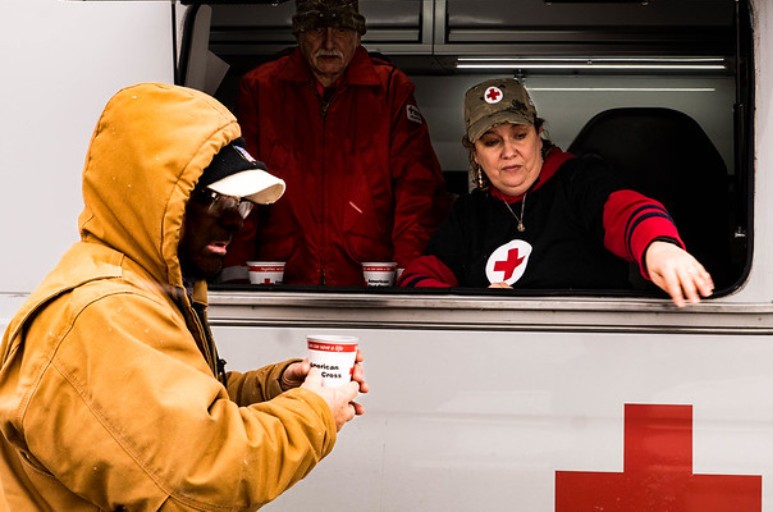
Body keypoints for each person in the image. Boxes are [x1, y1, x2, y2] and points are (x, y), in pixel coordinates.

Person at [0, 83, 369, 509]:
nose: (237, 222)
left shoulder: (144, 289)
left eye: (243, 204)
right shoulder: (104, 314)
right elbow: (202, 480)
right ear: (155, 199)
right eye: (218, 200)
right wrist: (315, 410)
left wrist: (276, 388)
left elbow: (182, 418)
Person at [398, 78, 715, 307]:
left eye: (519, 135)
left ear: (539, 135)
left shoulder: (578, 180)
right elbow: (417, 278)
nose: (508, 151)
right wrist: (472, 303)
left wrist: (659, 247)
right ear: (475, 153)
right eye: (491, 142)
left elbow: (627, 209)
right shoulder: (469, 213)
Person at [221, 0, 450, 286]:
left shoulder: (390, 89)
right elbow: (241, 187)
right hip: (278, 278)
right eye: (317, 29)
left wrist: (409, 274)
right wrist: (235, 273)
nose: (329, 42)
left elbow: (417, 191)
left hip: (371, 282)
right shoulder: (260, 88)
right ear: (299, 33)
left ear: (358, 34)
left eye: (341, 29)